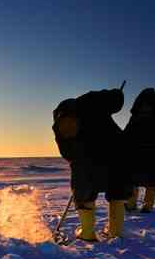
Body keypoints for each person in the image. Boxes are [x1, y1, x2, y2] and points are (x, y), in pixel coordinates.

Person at [53, 86, 129, 241]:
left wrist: (77, 161)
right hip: (116, 154)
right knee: (117, 194)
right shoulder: (92, 100)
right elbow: (116, 101)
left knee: (84, 194)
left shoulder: (60, 122)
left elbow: (67, 153)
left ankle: (87, 233)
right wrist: (118, 93)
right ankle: (115, 233)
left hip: (84, 162)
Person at [124, 87, 155, 213]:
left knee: (150, 181)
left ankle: (145, 206)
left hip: (151, 153)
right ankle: (132, 204)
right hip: (138, 153)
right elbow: (127, 134)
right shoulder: (136, 117)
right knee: (134, 180)